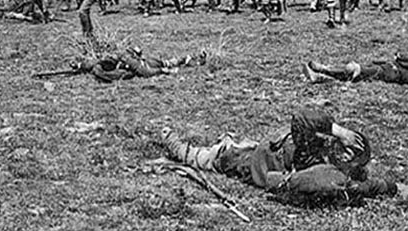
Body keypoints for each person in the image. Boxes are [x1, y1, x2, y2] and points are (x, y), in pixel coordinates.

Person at [162, 110, 403, 205]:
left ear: (351, 165)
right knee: (229, 143)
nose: (340, 149)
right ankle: (225, 140)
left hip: (243, 161)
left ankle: (168, 138)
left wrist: (392, 187)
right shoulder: (319, 147)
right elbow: (302, 119)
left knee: (197, 156)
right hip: (256, 146)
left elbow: (364, 187)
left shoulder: (325, 170)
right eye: (344, 145)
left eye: (348, 155)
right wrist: (339, 131)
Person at [71, 46, 207, 82]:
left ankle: (193, 60)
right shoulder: (125, 58)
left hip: (146, 65)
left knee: (170, 63)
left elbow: (145, 71)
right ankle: (191, 61)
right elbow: (145, 72)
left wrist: (163, 71)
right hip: (144, 66)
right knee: (170, 65)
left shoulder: (132, 60)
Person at [302, 53, 408, 84]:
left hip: (390, 72)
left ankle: (324, 70)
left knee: (354, 69)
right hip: (388, 67)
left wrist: (400, 57)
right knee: (354, 73)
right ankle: (320, 76)